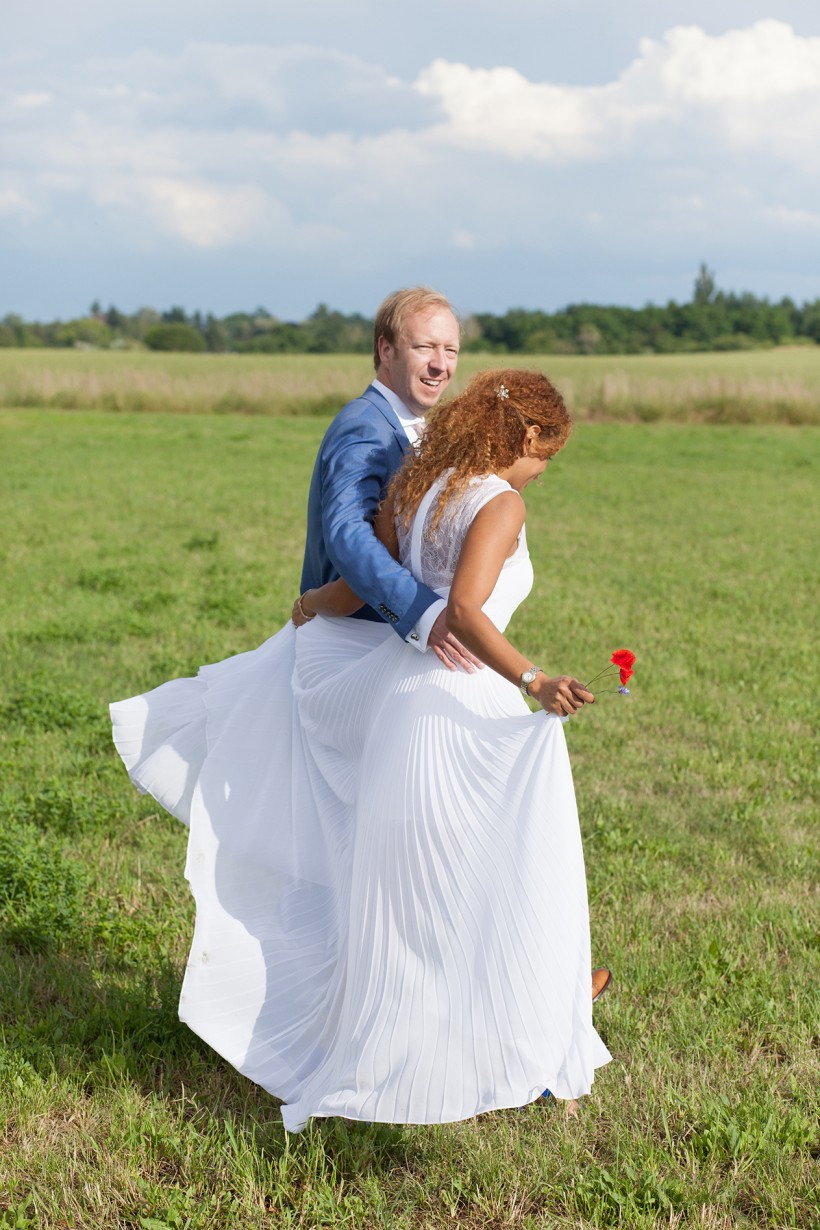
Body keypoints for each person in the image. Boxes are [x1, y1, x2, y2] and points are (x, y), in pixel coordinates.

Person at [111, 363, 611, 1134]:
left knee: (433, 899)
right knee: (501, 886)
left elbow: (357, 585)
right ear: (524, 436)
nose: (544, 471)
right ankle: (529, 1046)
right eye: (547, 454)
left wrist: (312, 605)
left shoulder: (423, 485)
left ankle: (522, 1027)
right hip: (461, 715)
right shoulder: (499, 503)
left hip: (398, 714)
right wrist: (534, 678)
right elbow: (465, 611)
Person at [298, 285, 479, 670]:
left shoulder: (415, 425)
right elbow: (349, 535)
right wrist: (421, 612)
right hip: (353, 648)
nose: (441, 365)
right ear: (386, 350)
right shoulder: (365, 425)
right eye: (425, 347)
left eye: (451, 350)